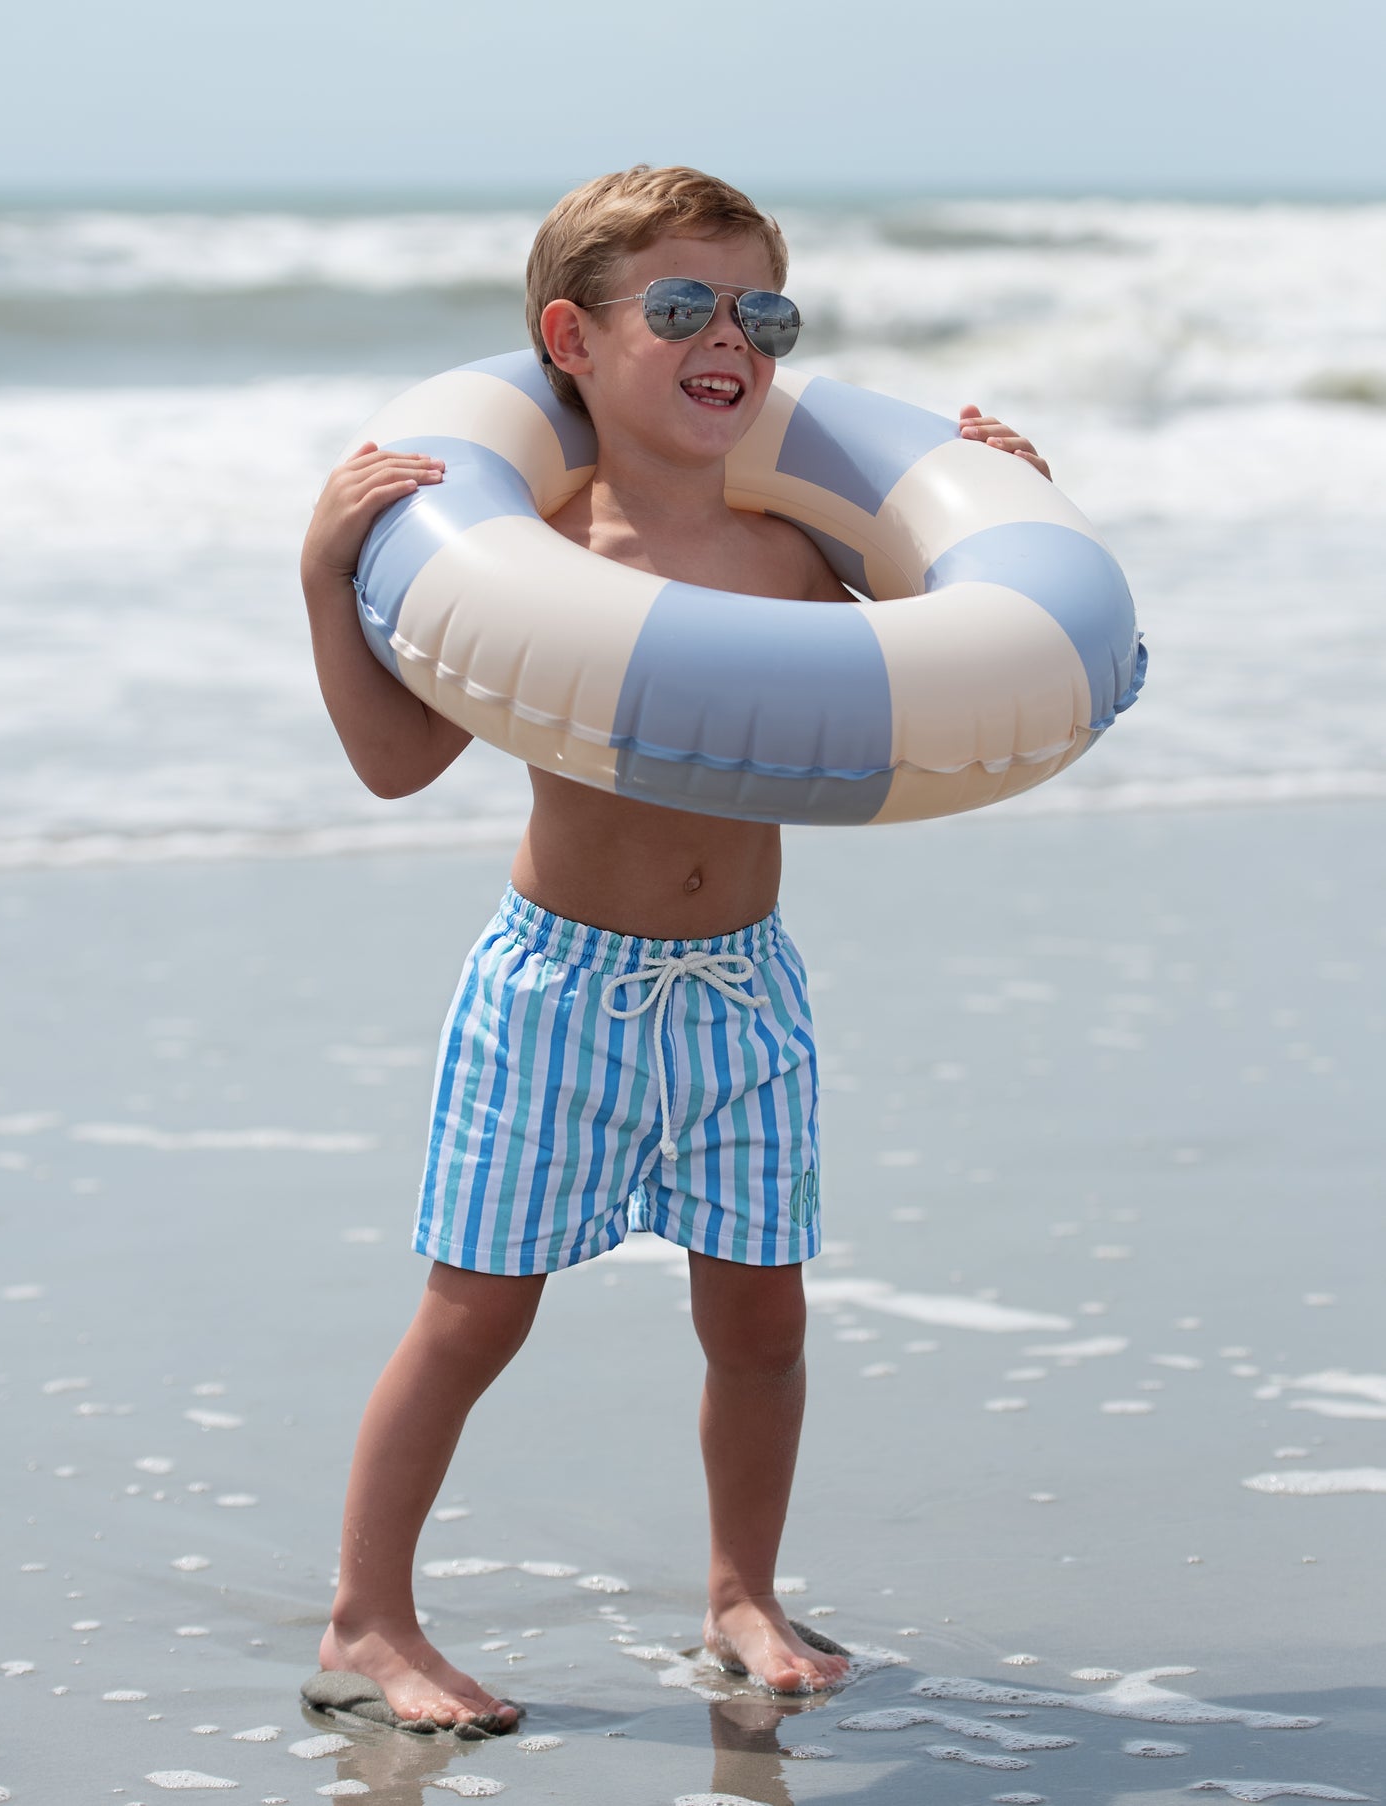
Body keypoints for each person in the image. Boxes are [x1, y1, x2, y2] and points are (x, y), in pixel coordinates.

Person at [299, 165, 1051, 1735]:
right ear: (571, 338)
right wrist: (324, 577)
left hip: (741, 991)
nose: (734, 339)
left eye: (762, 310)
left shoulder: (793, 554)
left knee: (761, 1316)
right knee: (473, 1311)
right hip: (558, 990)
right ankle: (366, 1620)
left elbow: (969, 646)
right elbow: (394, 766)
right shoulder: (534, 557)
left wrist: (1009, 492)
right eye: (688, 306)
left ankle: (739, 1593)